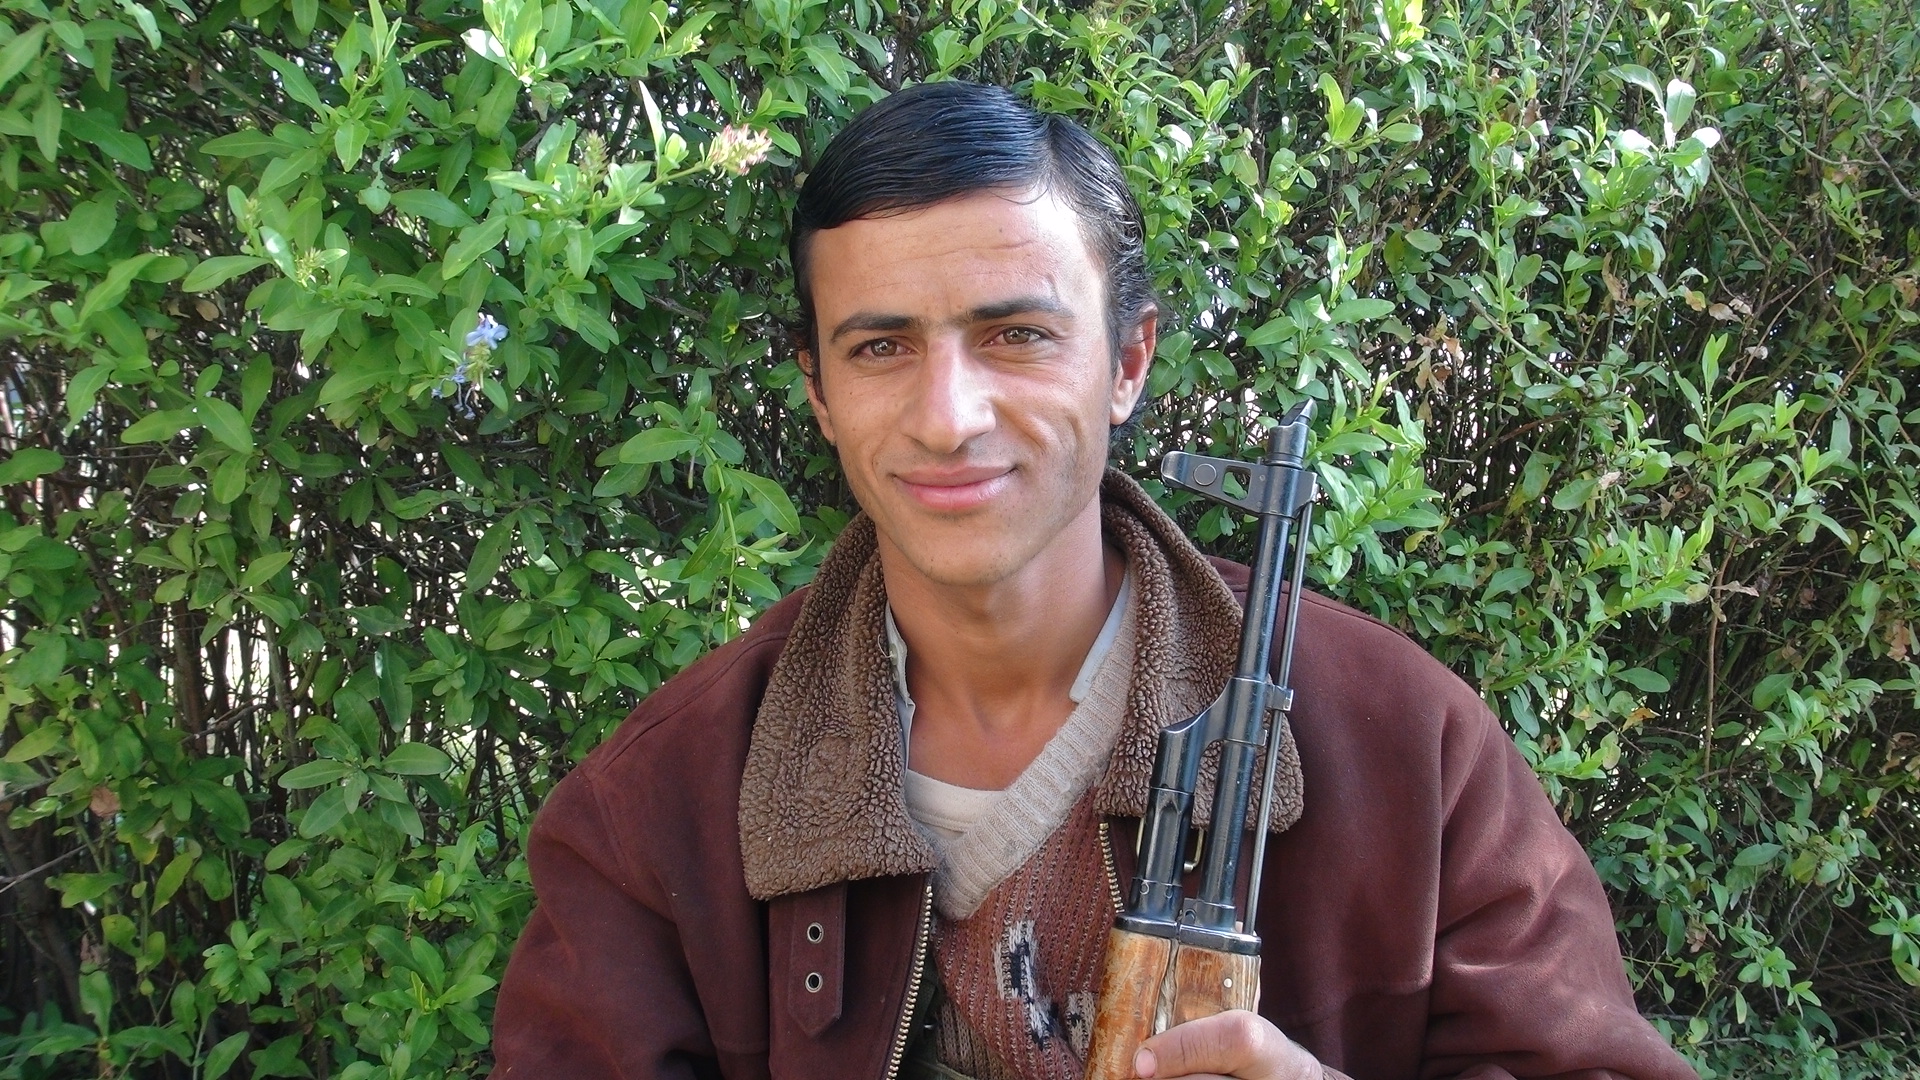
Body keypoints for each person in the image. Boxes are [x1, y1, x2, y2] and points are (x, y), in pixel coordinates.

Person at [491, 81, 1697, 1080]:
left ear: (1127, 362)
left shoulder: (1405, 748)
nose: (950, 417)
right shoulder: (659, 808)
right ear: (818, 393)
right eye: (881, 346)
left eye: (1016, 336)